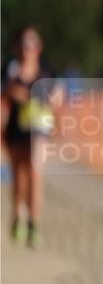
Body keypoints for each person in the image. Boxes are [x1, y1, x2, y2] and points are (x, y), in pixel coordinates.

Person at [2, 25, 57, 247]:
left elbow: (56, 96)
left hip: (39, 127)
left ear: (39, 48)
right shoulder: (10, 69)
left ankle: (34, 223)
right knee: (19, 175)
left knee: (35, 172)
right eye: (25, 44)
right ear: (19, 47)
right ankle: (18, 215)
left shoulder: (47, 71)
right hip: (16, 128)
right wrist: (12, 93)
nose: (28, 48)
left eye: (33, 44)